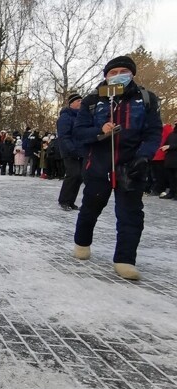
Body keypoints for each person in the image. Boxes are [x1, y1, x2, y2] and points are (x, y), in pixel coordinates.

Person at [72, 55, 163, 280]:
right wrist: (99, 130)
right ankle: (82, 242)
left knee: (130, 214)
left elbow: (153, 133)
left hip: (131, 165)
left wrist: (144, 156)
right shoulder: (93, 100)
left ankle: (124, 259)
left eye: (123, 71)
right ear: (106, 76)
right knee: (90, 208)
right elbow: (78, 131)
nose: (118, 75)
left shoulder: (146, 99)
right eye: (113, 72)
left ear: (132, 74)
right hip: (99, 164)